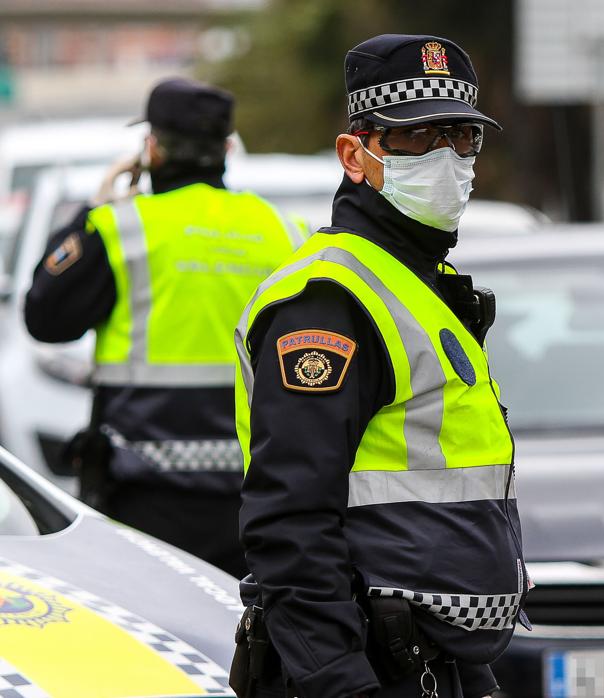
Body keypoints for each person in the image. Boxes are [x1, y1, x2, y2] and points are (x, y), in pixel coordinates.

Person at [231, 35, 524, 698]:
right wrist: (341, 681)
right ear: (354, 154)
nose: (448, 158)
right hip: (361, 667)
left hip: (432, 662)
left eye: (462, 137)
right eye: (417, 138)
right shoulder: (330, 304)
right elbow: (289, 521)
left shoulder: (419, 283)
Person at [24, 78, 305, 578]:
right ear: (226, 149)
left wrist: (94, 209)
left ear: (150, 148)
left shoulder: (120, 227)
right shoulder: (285, 231)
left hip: (144, 502)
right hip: (260, 499)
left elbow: (44, 319)